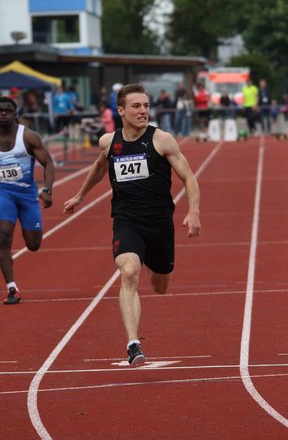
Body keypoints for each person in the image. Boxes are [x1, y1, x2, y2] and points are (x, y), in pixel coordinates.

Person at [64, 83, 201, 366]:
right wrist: (80, 195)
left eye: (146, 106)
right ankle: (133, 344)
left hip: (160, 223)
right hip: (127, 220)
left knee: (160, 285)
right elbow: (100, 166)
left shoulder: (162, 140)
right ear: (121, 110)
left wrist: (194, 211)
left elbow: (189, 178)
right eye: (136, 106)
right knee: (129, 272)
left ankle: (153, 262)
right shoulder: (108, 142)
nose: (143, 111)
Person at [0, 96, 55, 305]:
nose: (3, 113)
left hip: (26, 195)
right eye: (0, 110)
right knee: (2, 236)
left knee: (33, 244)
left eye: (7, 110)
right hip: (2, 192)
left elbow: (48, 163)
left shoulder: (28, 137)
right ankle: (11, 287)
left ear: (16, 114)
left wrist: (48, 189)